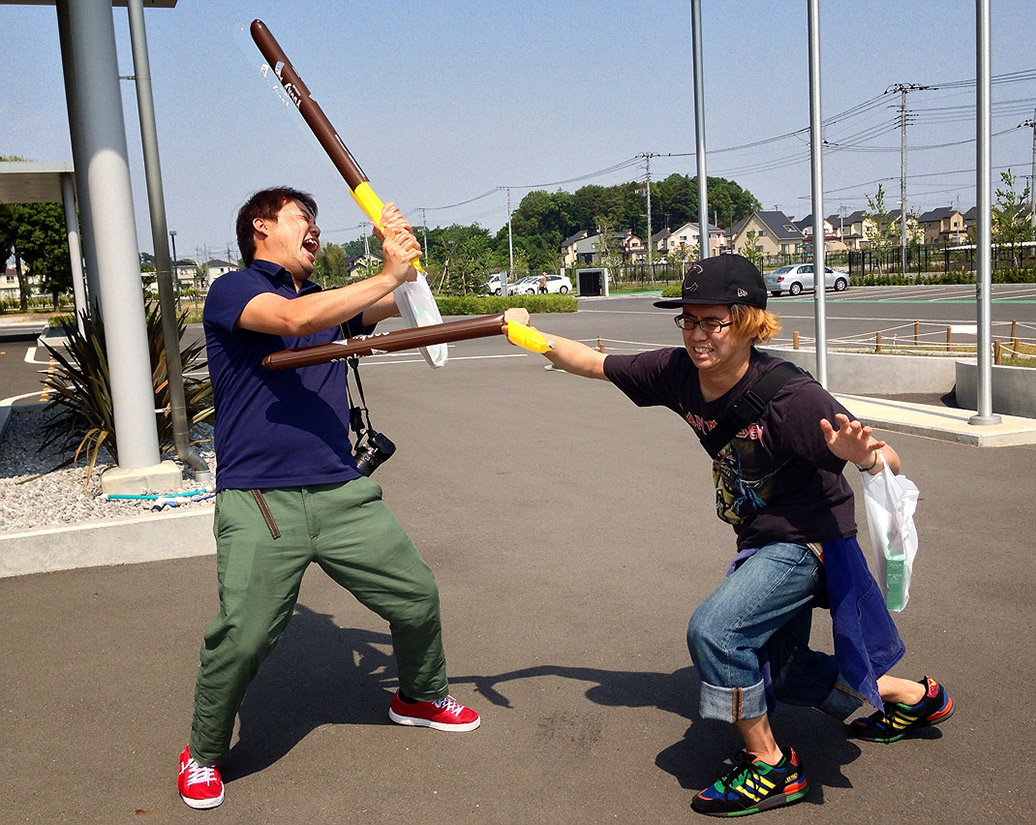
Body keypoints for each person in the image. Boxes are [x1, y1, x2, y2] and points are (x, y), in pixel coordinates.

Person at [525, 254, 953, 817]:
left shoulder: (791, 398)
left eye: (713, 322)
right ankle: (916, 697)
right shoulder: (677, 373)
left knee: (717, 632)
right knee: (792, 667)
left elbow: (886, 457)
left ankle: (772, 765)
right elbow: (592, 362)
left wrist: (863, 458)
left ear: (750, 321)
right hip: (761, 537)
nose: (698, 336)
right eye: (688, 320)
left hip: (810, 539)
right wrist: (524, 332)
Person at [178, 187, 515, 810]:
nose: (314, 231)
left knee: (416, 598)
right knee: (244, 637)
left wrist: (408, 267)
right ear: (262, 227)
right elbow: (290, 323)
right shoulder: (233, 291)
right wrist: (387, 271)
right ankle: (203, 751)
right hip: (261, 501)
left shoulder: (324, 301)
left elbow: (398, 305)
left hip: (343, 492)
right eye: (303, 219)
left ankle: (417, 694)